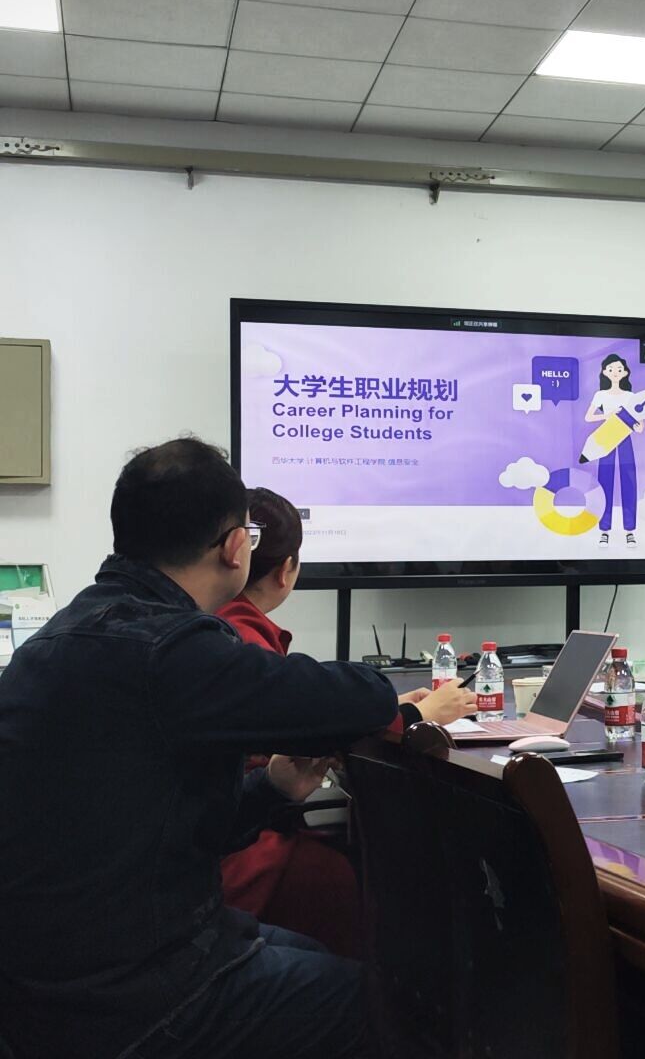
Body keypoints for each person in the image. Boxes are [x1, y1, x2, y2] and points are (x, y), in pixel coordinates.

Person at [0, 438, 399, 1059]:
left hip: (54, 982)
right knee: (389, 1011)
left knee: (316, 957)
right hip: (131, 996)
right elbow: (362, 699)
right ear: (237, 546)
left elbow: (162, 827)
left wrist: (272, 787)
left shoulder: (64, 635)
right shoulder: (169, 648)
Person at [216, 487, 475, 958]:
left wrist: (390, 705)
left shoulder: (214, 626)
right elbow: (301, 721)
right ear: (287, 569)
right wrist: (417, 715)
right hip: (245, 857)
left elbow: (298, 712)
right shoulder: (242, 641)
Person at [585, 353, 644, 548]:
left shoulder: (630, 396)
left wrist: (637, 426)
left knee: (629, 481)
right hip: (606, 437)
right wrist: (607, 415)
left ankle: (630, 531)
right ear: (605, 372)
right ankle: (604, 530)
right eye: (611, 369)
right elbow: (588, 417)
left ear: (625, 372)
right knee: (605, 482)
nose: (615, 372)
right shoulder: (600, 395)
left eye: (619, 369)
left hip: (625, 436)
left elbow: (640, 423)